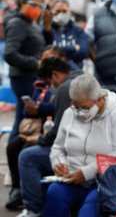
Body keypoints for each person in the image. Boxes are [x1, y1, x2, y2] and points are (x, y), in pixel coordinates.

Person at [44, 74, 116, 217]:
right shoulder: (70, 113)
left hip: (105, 183)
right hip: (72, 178)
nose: (79, 113)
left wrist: (87, 172)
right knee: (54, 194)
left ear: (99, 99)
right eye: (76, 107)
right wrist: (58, 163)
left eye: (85, 107)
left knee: (88, 213)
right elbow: (58, 147)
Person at [17, 58, 83, 217]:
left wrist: (38, 140)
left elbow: (59, 132)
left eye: (49, 83)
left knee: (27, 156)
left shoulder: (65, 88)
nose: (50, 87)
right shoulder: (83, 79)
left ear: (55, 75)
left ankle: (33, 208)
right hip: (84, 148)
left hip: (73, 151)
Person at [5, 46, 64, 211]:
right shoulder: (40, 83)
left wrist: (40, 109)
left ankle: (31, 201)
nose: (46, 63)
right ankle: (17, 189)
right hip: (38, 128)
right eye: (44, 59)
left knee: (26, 153)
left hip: (51, 132)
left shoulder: (62, 84)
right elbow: (27, 111)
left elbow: (55, 109)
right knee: (12, 147)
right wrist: (30, 108)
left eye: (50, 58)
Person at [3, 0, 46, 142]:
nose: (38, 9)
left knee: (26, 118)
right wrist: (36, 63)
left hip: (32, 76)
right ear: (22, 3)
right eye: (34, 4)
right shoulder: (17, 23)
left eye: (41, 5)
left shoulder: (31, 23)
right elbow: (10, 54)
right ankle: (14, 156)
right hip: (23, 78)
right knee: (23, 119)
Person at [43, 0, 89, 68]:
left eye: (64, 11)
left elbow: (84, 52)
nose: (61, 14)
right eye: (57, 11)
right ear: (51, 12)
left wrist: (56, 51)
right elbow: (46, 54)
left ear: (70, 12)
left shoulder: (78, 31)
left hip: (75, 73)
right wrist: (73, 48)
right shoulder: (47, 31)